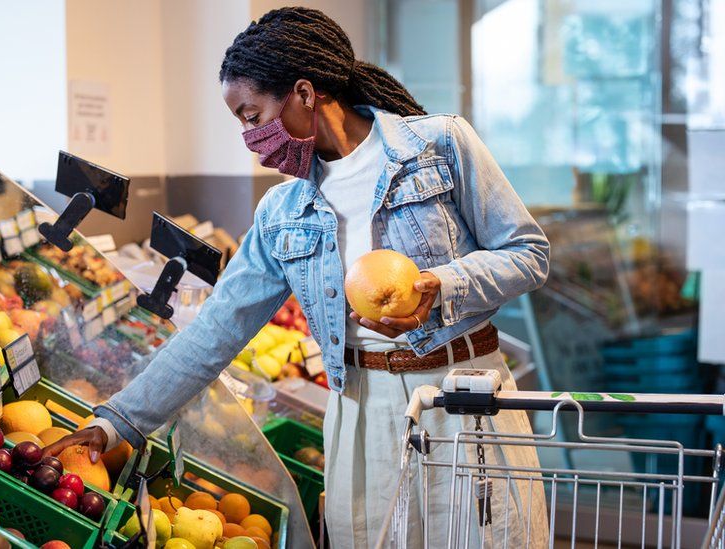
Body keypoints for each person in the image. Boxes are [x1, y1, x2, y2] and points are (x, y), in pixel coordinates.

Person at [46, 7, 550, 547]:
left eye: (251, 114)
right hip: (361, 411)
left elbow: (528, 253)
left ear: (305, 93)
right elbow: (213, 332)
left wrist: (441, 286)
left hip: (462, 397)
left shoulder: (440, 146)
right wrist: (117, 421)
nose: (249, 137)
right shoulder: (281, 212)